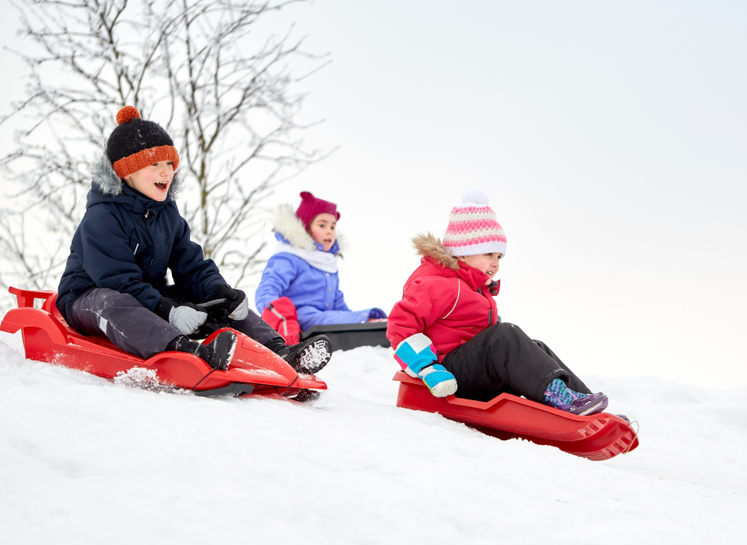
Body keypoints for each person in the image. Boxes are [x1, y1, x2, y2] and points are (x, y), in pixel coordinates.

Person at [55, 105, 333, 374]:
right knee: (114, 302)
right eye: (155, 164)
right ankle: (189, 355)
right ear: (126, 171)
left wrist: (220, 293)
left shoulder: (166, 213)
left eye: (169, 163)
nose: (167, 172)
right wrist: (169, 311)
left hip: (147, 296)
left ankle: (281, 352)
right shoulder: (102, 217)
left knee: (218, 302)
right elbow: (117, 280)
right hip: (87, 297)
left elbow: (190, 264)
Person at [387, 190, 608, 415]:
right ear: (463, 253)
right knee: (504, 337)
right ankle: (562, 399)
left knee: (535, 347)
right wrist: (427, 367)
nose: (495, 264)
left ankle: (585, 403)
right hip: (444, 376)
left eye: (499, 257)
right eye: (489, 254)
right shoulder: (439, 284)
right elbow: (400, 326)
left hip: (471, 374)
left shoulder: (473, 288)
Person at [255, 192, 385, 343]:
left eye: (333, 226)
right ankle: (367, 321)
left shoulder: (327, 264)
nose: (329, 231)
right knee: (316, 315)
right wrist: (279, 315)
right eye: (322, 225)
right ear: (305, 227)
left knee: (333, 317)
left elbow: (337, 303)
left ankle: (369, 326)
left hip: (324, 319)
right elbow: (266, 290)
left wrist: (354, 321)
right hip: (298, 318)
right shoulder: (289, 258)